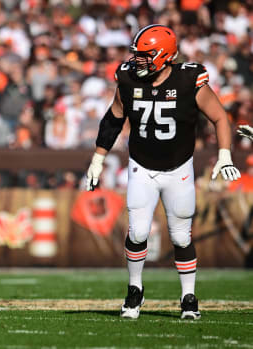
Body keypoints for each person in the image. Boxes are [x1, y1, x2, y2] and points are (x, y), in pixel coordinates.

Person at [84, 25, 241, 320]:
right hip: (141, 165)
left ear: (163, 56)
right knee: (138, 231)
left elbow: (220, 117)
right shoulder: (128, 78)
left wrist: (224, 154)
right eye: (137, 56)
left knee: (181, 237)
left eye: (145, 56)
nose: (137, 61)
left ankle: (188, 296)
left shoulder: (189, 80)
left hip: (178, 167)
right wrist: (98, 158)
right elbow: (114, 118)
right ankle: (134, 289)